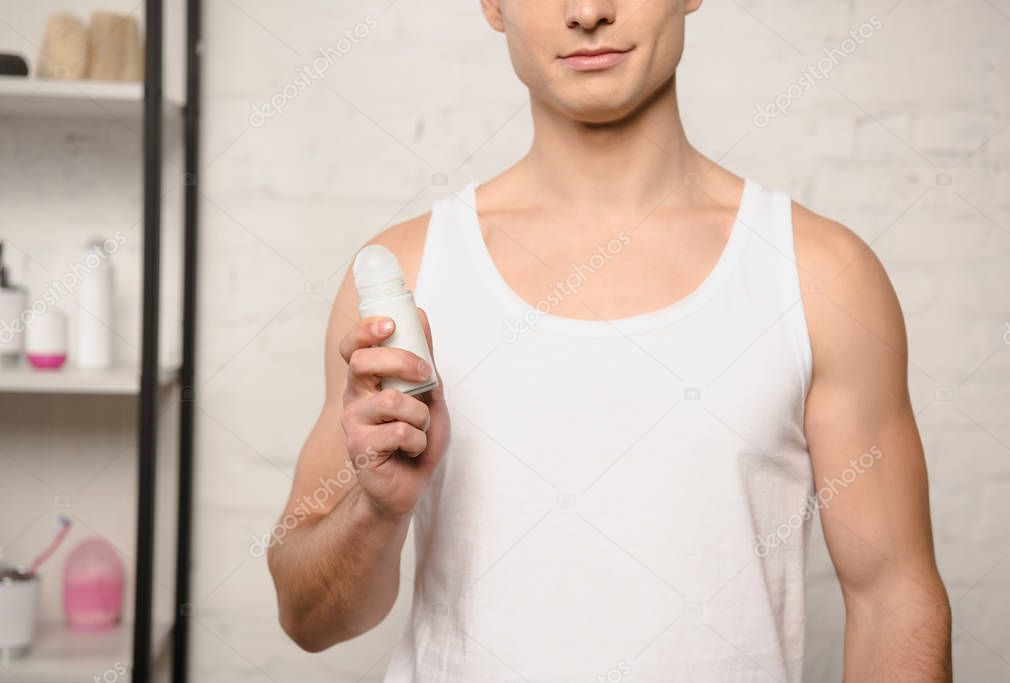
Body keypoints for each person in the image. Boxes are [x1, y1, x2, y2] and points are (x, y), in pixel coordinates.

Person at [268, 1, 951, 680]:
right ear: (491, 6)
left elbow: (895, 601)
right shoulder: (407, 276)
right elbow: (309, 618)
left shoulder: (819, 275)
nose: (588, 11)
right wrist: (376, 510)